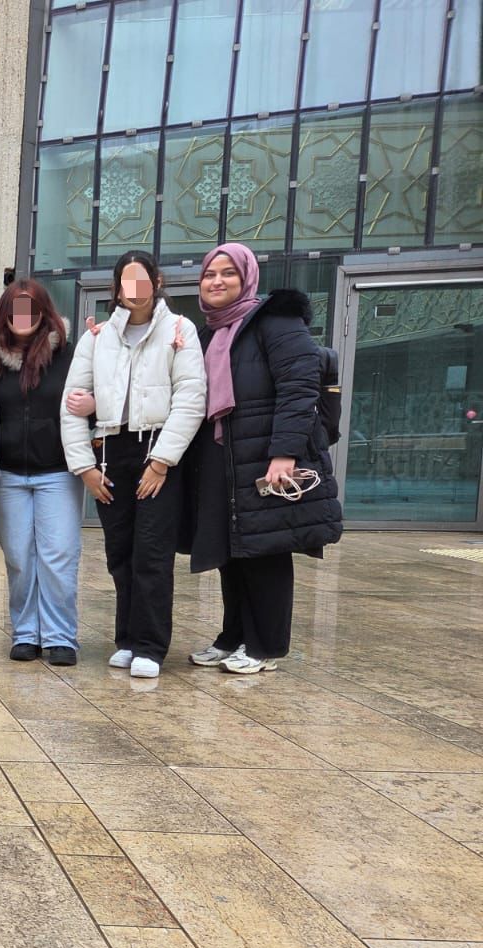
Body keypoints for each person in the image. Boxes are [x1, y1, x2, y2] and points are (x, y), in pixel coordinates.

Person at [185, 241, 342, 674]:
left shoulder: (276, 322)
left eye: (228, 273)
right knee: (232, 552)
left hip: (265, 457)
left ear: (247, 277)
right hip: (222, 457)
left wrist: (284, 453)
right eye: (209, 274)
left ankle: (265, 647)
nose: (217, 281)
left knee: (266, 552)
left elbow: (299, 389)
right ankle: (232, 636)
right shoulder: (208, 333)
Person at [60, 250, 206, 679]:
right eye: (127, 281)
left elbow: (191, 398)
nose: (135, 290)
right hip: (110, 453)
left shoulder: (180, 329)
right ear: (117, 287)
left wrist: (161, 462)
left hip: (156, 451)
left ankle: (150, 645)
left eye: (143, 280)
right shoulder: (97, 337)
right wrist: (85, 467)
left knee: (152, 552)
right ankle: (126, 638)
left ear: (157, 282)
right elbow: (72, 403)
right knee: (119, 552)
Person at [0, 279, 81, 666]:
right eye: (14, 309)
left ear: (44, 312)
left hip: (58, 472)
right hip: (7, 476)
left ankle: (60, 637)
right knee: (19, 558)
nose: (22, 317)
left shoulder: (69, 356)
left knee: (58, 556)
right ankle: (26, 633)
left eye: (30, 308)